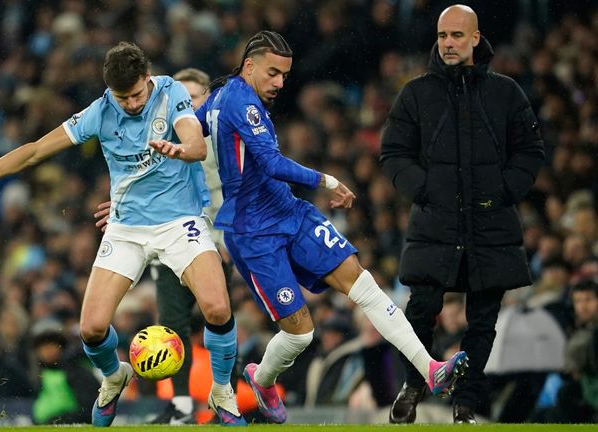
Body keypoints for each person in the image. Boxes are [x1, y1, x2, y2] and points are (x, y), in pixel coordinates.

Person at [0, 42, 246, 427]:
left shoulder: (171, 92)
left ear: (147, 79)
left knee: (217, 308)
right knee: (91, 329)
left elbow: (196, 145)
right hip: (127, 228)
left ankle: (222, 392)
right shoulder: (100, 112)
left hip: (180, 222)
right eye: (122, 97)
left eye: (135, 95)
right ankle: (115, 377)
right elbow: (33, 151)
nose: (131, 104)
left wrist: (180, 150)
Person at [189, 30, 468, 425]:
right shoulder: (238, 102)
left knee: (363, 284)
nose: (280, 83)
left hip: (290, 212)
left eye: (284, 75)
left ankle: (430, 370)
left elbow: (187, 133)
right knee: (301, 334)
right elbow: (271, 163)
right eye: (272, 73)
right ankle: (262, 379)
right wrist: (328, 180)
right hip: (252, 233)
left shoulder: (220, 98)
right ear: (249, 66)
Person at [380, 5, 545, 424]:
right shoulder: (416, 93)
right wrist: (425, 190)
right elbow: (393, 152)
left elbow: (530, 151)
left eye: (456, 35)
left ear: (475, 39)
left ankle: (465, 403)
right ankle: (415, 383)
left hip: (490, 222)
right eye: (441, 36)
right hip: (436, 220)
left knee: (483, 319)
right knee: (421, 308)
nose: (448, 43)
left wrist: (504, 190)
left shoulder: (506, 92)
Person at [95, 67, 229, 425]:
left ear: (208, 99)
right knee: (172, 320)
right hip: (172, 235)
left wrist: (231, 233)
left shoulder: (222, 140)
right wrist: (125, 205)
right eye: (181, 98)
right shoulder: (158, 137)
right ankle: (182, 404)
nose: (185, 105)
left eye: (195, 97)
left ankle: (233, 392)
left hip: (225, 237)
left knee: (226, 316)